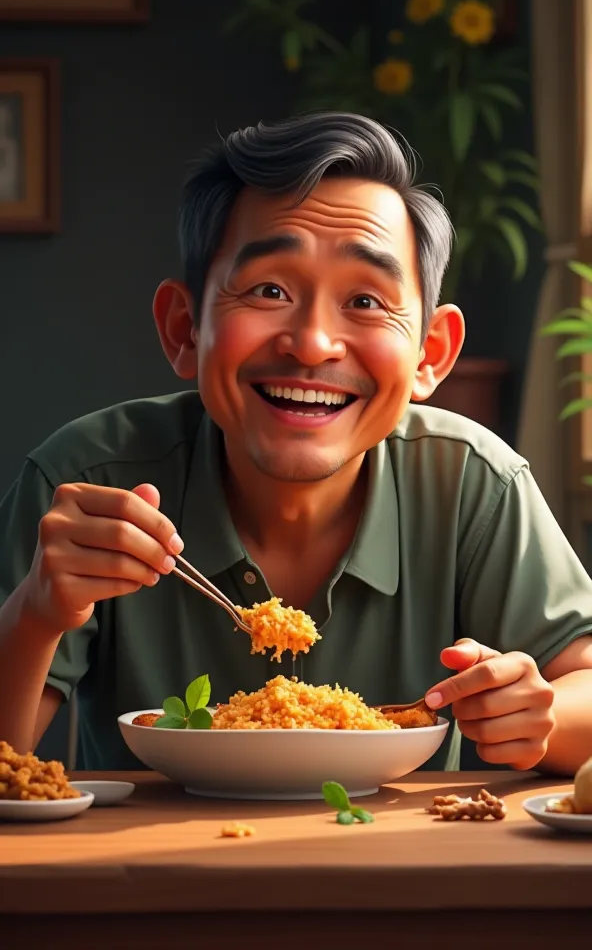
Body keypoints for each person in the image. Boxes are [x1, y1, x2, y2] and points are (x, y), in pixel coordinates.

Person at [1, 111, 591, 775]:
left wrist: (540, 714)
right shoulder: (85, 483)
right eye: (269, 290)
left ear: (431, 353)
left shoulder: (473, 483)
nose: (312, 343)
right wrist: (35, 614)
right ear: (183, 330)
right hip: (154, 876)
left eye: (366, 301)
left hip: (405, 877)